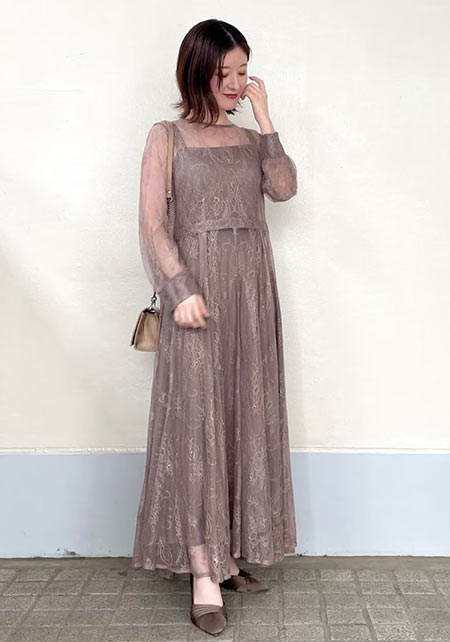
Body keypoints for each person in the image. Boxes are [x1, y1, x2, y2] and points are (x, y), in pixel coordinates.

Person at [131, 18, 298, 636]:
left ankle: (226, 559)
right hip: (196, 299)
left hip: (251, 298)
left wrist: (267, 119)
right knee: (198, 427)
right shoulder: (166, 136)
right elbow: (152, 223)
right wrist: (179, 289)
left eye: (242, 71)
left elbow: (284, 189)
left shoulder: (252, 141)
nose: (233, 83)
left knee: (242, 419)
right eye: (223, 72)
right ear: (195, 71)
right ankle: (203, 573)